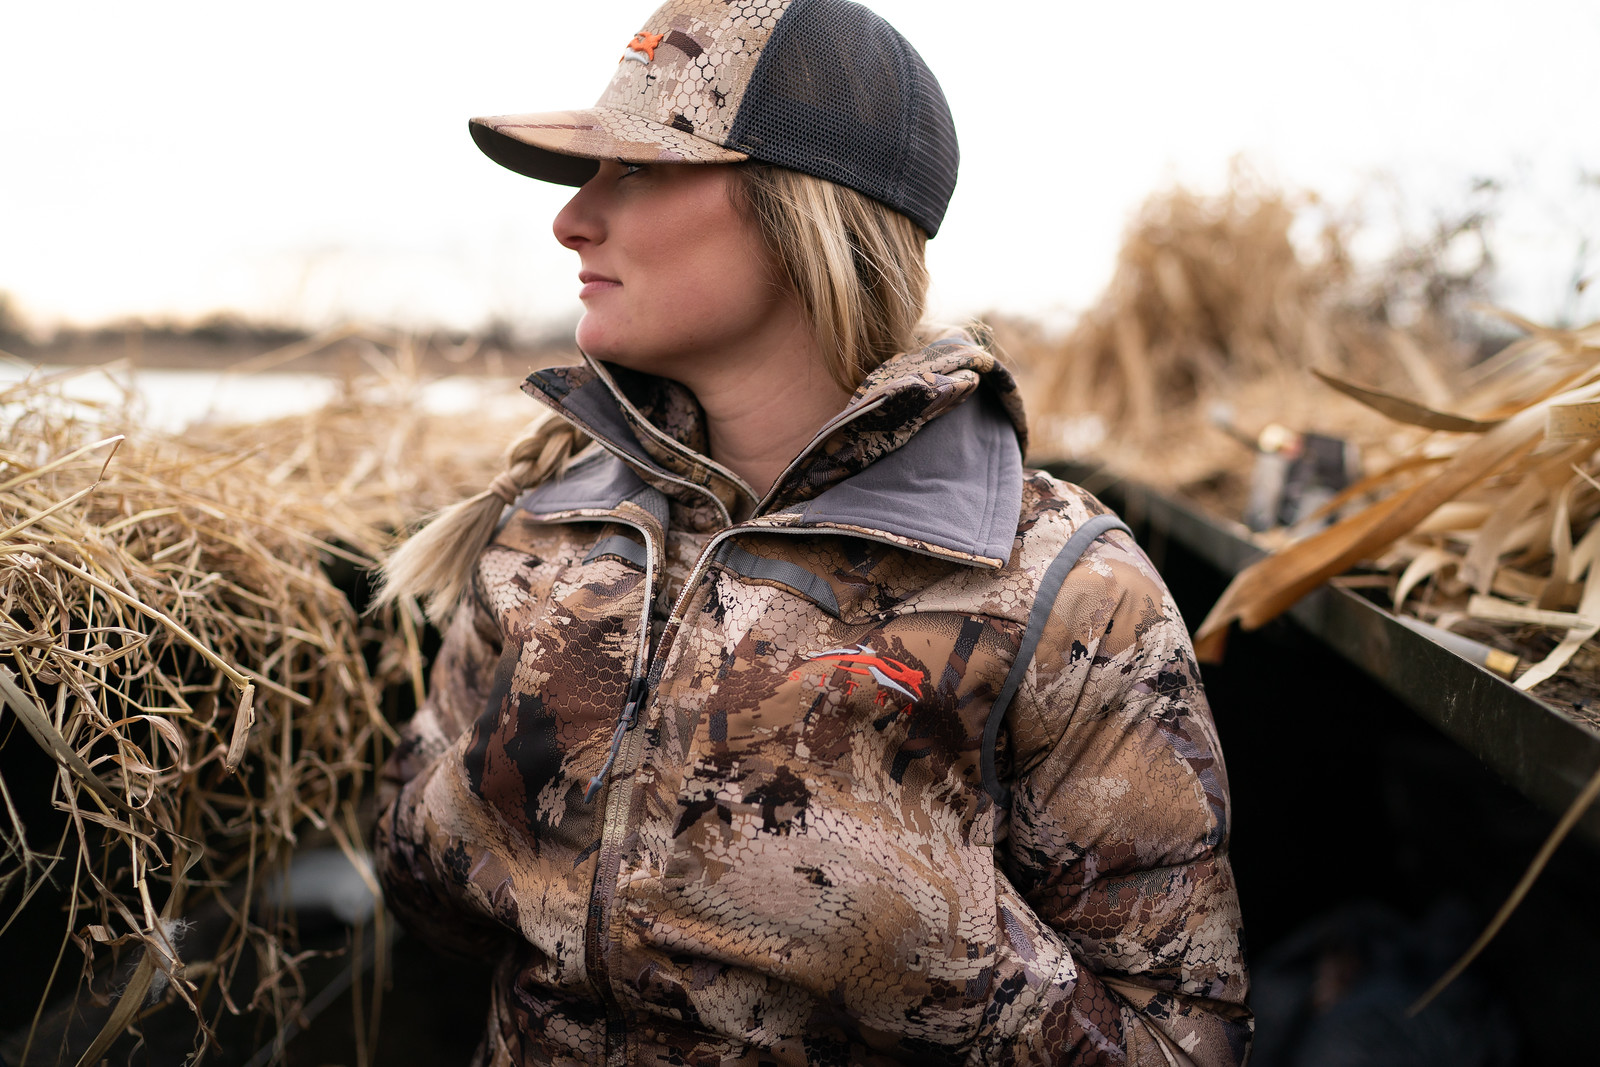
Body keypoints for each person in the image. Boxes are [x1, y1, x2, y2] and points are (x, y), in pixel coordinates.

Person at [373, 1, 1251, 1063]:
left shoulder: (1064, 587)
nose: (571, 218)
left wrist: (928, 943)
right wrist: (473, 815)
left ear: (802, 215)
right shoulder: (555, 528)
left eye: (637, 171)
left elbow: (1180, 1038)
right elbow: (425, 908)